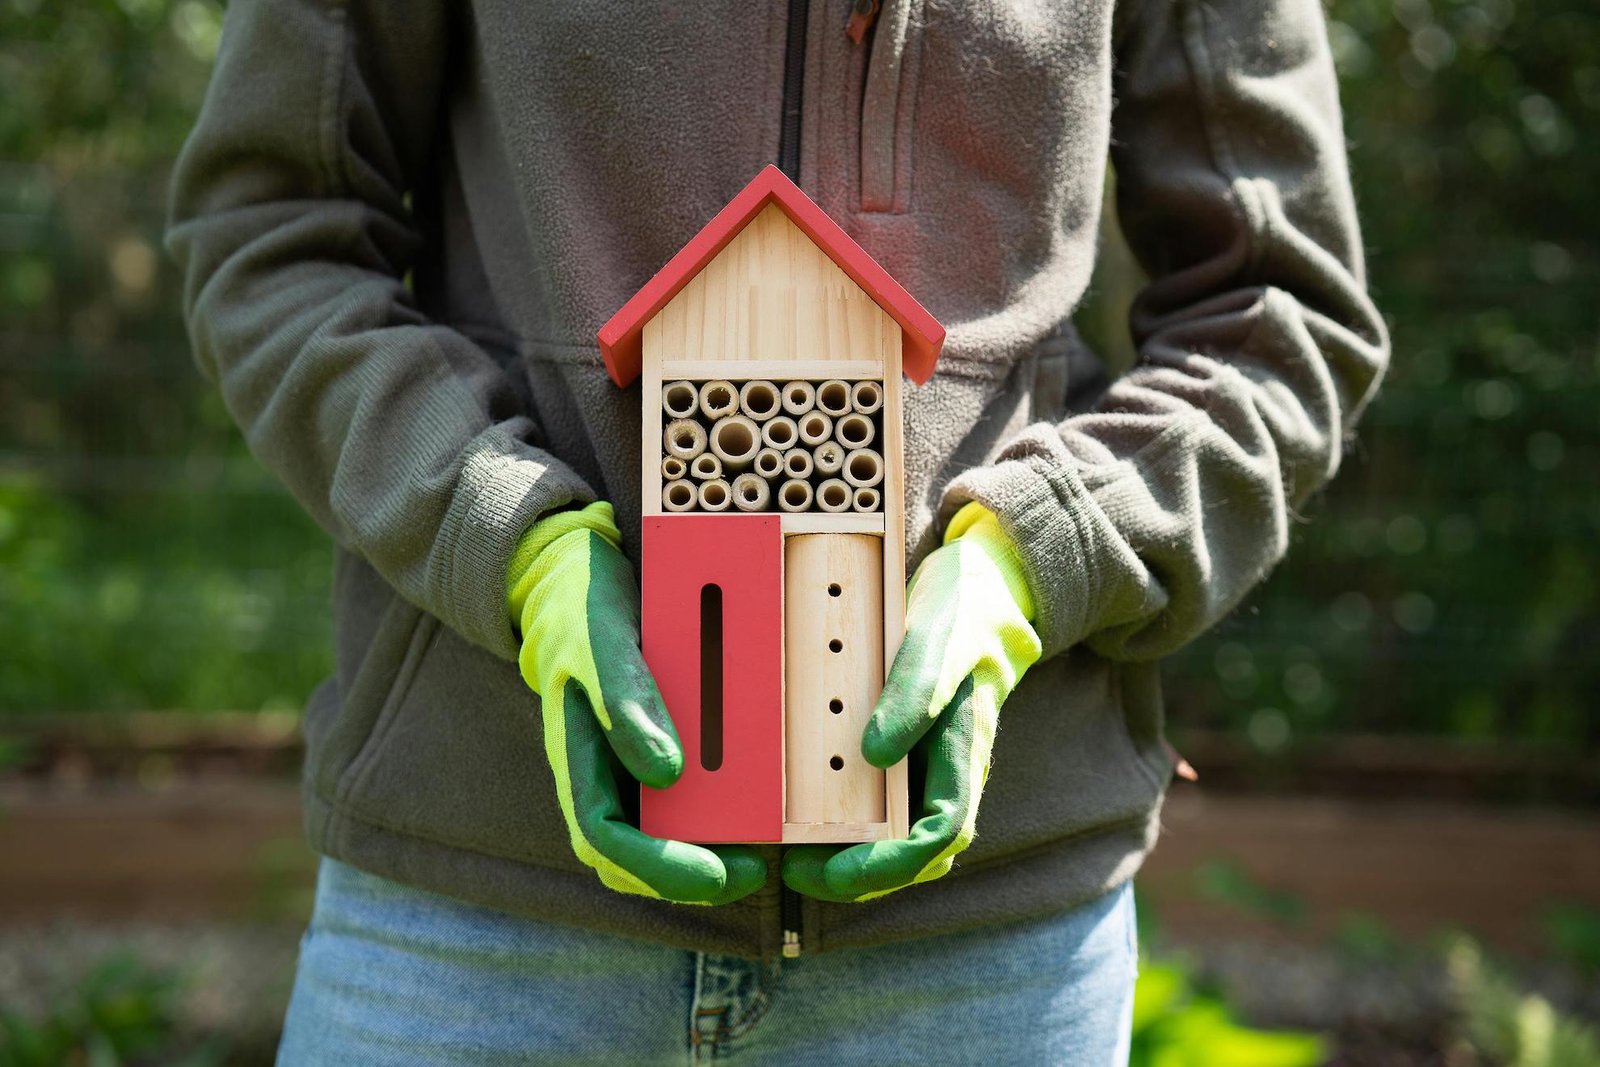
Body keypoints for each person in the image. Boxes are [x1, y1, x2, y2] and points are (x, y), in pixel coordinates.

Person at [168, 0, 1387, 1062]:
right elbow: (278, 236)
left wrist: (1042, 555)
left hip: (984, 957)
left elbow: (1276, 315)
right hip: (476, 926)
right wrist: (508, 536)